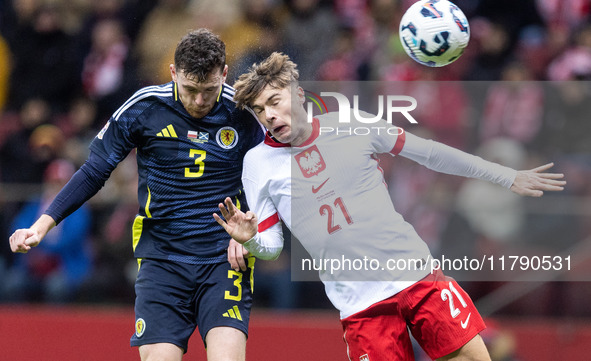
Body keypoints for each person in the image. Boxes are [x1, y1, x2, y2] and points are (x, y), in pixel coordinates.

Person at [213, 52, 566, 360]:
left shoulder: (353, 123)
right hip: (360, 305)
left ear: (299, 93)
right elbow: (272, 248)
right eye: (260, 110)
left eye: (275, 101)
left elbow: (429, 152)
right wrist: (250, 239)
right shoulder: (257, 163)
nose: (269, 116)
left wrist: (505, 176)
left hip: (417, 275)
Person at [9, 29, 264, 361]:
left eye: (209, 90)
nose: (200, 101)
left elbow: (273, 176)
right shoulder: (144, 107)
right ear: (173, 72)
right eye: (190, 90)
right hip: (162, 262)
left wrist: (253, 229)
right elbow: (94, 170)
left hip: (223, 261)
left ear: (225, 74)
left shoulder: (244, 113)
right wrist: (43, 225)